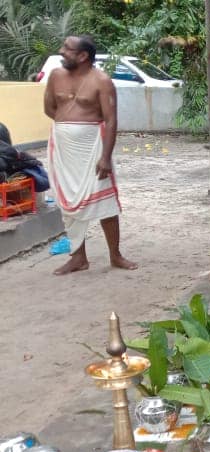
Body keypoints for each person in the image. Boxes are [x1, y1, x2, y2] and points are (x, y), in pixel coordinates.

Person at [43, 34, 137, 275]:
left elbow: (111, 119)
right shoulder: (55, 76)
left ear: (83, 56)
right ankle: (78, 257)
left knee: (104, 202)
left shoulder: (102, 81)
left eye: (68, 49)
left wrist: (105, 157)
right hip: (63, 148)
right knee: (67, 203)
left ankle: (115, 256)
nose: (62, 51)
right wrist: (69, 128)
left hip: (93, 146)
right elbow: (50, 108)